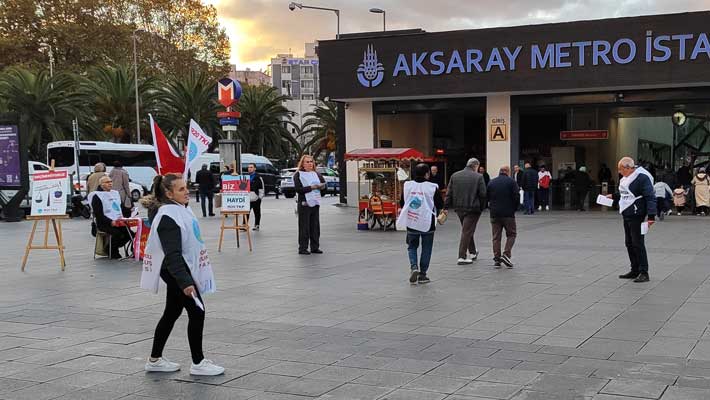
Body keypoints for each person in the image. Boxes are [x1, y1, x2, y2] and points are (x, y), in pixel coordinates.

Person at [140, 174, 224, 376]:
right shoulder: (168, 216)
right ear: (169, 193)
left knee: (172, 313)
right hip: (176, 270)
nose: (187, 192)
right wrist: (186, 282)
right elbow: (172, 253)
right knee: (197, 311)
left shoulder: (177, 210)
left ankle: (155, 359)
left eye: (186, 187)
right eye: (181, 189)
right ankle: (198, 362)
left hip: (178, 269)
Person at [609, 157, 656, 283]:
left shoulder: (641, 178)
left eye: (620, 169)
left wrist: (651, 216)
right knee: (629, 242)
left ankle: (643, 271)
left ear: (628, 167)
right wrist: (613, 196)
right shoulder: (625, 178)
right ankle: (634, 269)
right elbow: (625, 194)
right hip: (626, 213)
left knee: (638, 243)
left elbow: (650, 197)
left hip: (637, 213)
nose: (619, 172)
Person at [398, 164, 443, 284]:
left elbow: (402, 203)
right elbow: (439, 204)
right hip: (427, 222)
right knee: (426, 248)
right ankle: (423, 275)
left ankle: (414, 267)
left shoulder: (407, 185)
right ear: (427, 174)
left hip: (412, 221)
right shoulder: (432, 187)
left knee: (412, 246)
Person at [444, 158, 487, 265]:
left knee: (467, 229)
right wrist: (482, 207)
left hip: (459, 208)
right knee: (467, 231)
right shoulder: (479, 177)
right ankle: (462, 256)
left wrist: (445, 206)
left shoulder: (455, 175)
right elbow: (483, 194)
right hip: (473, 208)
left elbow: (449, 192)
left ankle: (472, 252)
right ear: (476, 166)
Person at [88, 176, 130, 259]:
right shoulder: (97, 196)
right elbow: (98, 214)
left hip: (118, 221)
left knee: (130, 234)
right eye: (107, 182)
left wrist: (130, 211)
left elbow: (121, 207)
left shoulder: (115, 193)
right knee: (117, 234)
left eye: (111, 181)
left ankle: (112, 247)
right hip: (104, 223)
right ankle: (111, 250)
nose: (110, 183)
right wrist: (110, 222)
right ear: (101, 184)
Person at [487, 165, 519, 268]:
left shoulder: (492, 182)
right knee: (511, 234)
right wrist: (514, 208)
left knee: (496, 237)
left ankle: (497, 259)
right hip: (508, 213)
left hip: (494, 213)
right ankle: (506, 254)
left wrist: (490, 207)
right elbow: (516, 197)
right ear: (508, 172)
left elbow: (486, 197)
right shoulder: (511, 182)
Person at [293, 155, 325, 255]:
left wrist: (321, 188)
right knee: (304, 226)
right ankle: (303, 248)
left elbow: (324, 188)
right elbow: (298, 189)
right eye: (307, 162)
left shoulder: (317, 174)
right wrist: (311, 187)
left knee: (315, 226)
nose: (310, 163)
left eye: (311, 161)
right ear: (302, 164)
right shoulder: (298, 175)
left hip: (315, 203)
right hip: (304, 204)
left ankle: (315, 247)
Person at [247, 163, 265, 230]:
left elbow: (262, 187)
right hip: (248, 197)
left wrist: (260, 197)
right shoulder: (246, 177)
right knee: (246, 211)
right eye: (248, 167)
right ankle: (244, 224)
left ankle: (257, 225)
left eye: (251, 167)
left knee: (256, 211)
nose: (249, 168)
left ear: (255, 168)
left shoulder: (258, 177)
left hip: (256, 197)